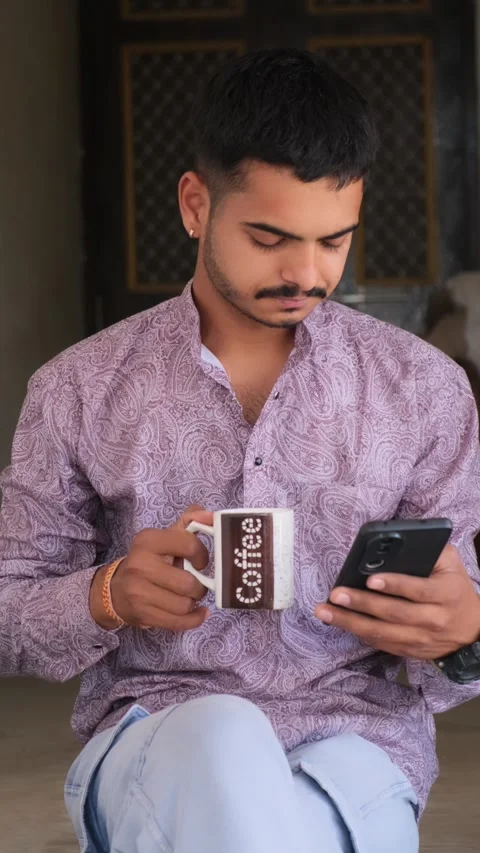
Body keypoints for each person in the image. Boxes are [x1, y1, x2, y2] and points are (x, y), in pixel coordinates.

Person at [1, 48, 480, 853]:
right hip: (159, 737)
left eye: (335, 241)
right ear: (195, 205)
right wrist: (108, 593)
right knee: (221, 737)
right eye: (270, 237)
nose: (307, 271)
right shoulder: (79, 389)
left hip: (353, 758)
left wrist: (464, 631)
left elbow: (464, 639)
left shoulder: (424, 391)